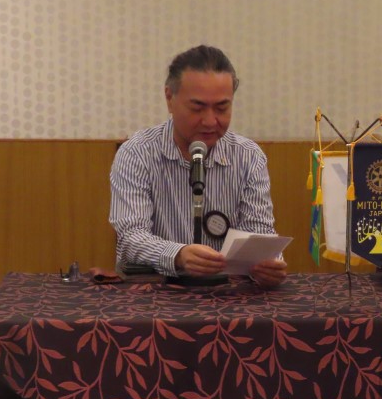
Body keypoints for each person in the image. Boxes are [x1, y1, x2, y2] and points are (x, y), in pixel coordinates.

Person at [110, 45, 287, 288]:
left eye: (222, 108)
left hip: (226, 296)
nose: (210, 121)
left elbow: (258, 235)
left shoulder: (249, 156)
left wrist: (267, 266)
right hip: (153, 295)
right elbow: (131, 238)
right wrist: (178, 255)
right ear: (169, 98)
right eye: (197, 108)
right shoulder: (137, 153)